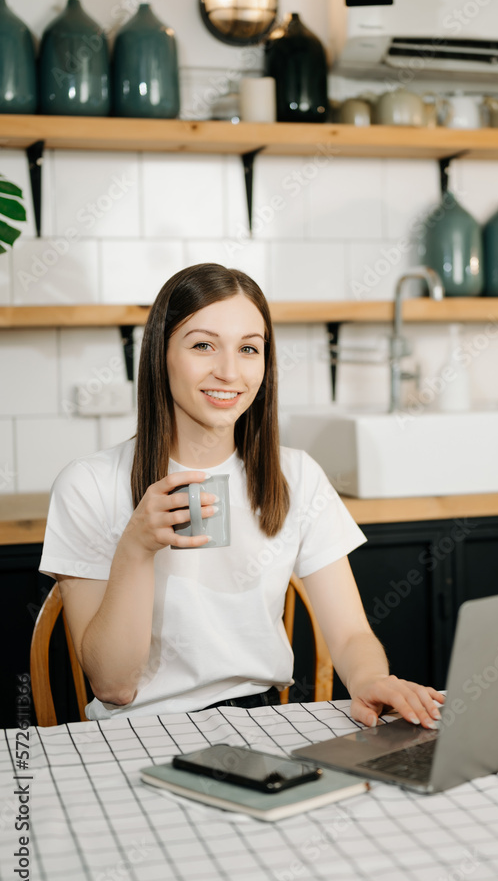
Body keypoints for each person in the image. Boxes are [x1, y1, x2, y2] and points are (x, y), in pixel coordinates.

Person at [40, 263, 443, 728]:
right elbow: (112, 686)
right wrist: (136, 547)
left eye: (249, 349)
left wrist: (372, 678)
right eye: (203, 345)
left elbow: (351, 633)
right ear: (160, 355)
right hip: (136, 729)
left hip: (262, 723)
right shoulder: (88, 485)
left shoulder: (296, 476)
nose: (229, 371)